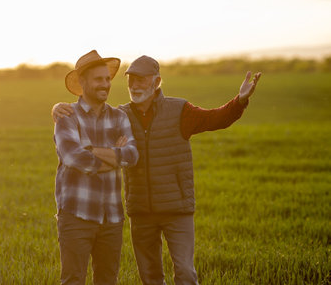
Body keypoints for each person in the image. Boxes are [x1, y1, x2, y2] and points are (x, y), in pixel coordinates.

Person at [53, 55, 261, 285]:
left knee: (184, 273)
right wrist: (58, 109)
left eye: (142, 80)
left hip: (174, 208)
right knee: (149, 278)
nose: (135, 85)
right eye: (131, 80)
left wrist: (239, 101)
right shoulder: (119, 114)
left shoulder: (174, 110)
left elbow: (214, 119)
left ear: (157, 81)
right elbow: (76, 152)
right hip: (138, 212)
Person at [53, 50, 139, 285]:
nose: (105, 84)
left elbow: (132, 155)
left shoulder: (119, 117)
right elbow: (73, 156)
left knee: (108, 280)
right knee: (73, 280)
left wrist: (91, 150)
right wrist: (113, 157)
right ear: (83, 82)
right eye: (98, 79)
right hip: (76, 214)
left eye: (107, 79)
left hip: (112, 216)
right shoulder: (68, 116)